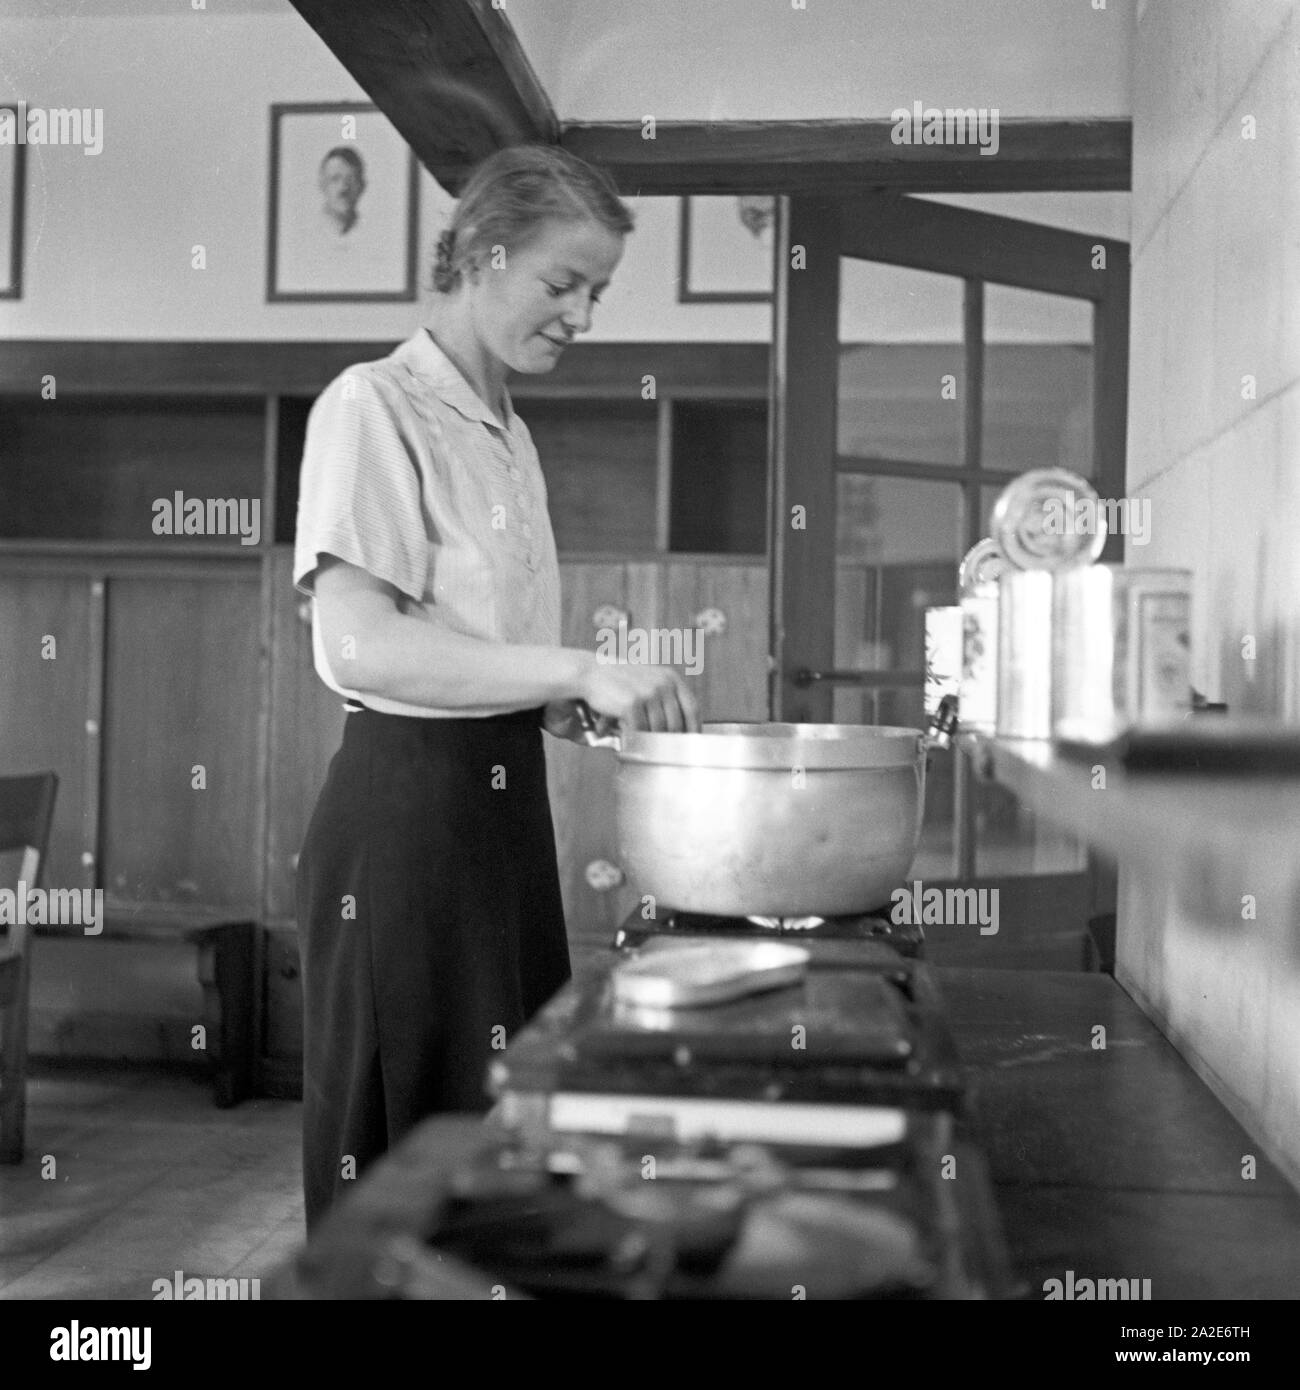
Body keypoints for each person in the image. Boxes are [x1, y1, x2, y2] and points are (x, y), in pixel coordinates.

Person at [293, 144, 699, 1232]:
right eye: (563, 283)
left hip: (501, 818)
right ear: (482, 252)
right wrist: (571, 665)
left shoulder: (511, 434)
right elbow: (361, 646)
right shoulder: (372, 404)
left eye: (597, 293)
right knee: (404, 1167)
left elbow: (464, 646)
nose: (582, 315)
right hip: (405, 823)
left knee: (500, 1148)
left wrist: (549, 700)